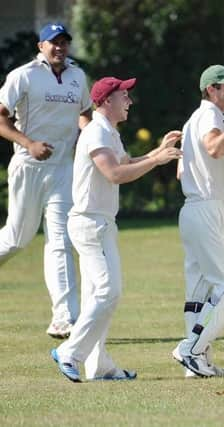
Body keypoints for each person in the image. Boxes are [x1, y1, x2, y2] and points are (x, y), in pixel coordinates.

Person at [51, 77, 182, 382]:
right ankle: (70, 352)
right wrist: (158, 160)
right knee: (108, 291)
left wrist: (156, 152)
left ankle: (99, 365)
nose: (130, 102)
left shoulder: (108, 131)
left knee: (103, 293)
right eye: (125, 96)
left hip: (102, 222)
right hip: (89, 223)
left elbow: (127, 162)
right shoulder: (96, 131)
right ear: (107, 100)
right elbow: (114, 174)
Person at [0, 23, 92, 338]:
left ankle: (64, 318)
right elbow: (0, 117)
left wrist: (88, 137)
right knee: (17, 239)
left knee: (60, 242)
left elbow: (85, 113)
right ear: (41, 46)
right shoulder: (23, 75)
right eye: (53, 43)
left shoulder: (78, 77)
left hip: (62, 169)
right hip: (28, 165)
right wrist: (29, 144)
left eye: (64, 42)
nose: (60, 48)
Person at [171, 65, 224, 378]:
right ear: (211, 90)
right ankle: (191, 348)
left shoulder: (193, 119)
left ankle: (197, 363)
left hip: (193, 209)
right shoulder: (210, 116)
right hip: (207, 210)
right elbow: (215, 147)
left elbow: (182, 169)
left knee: (199, 291)